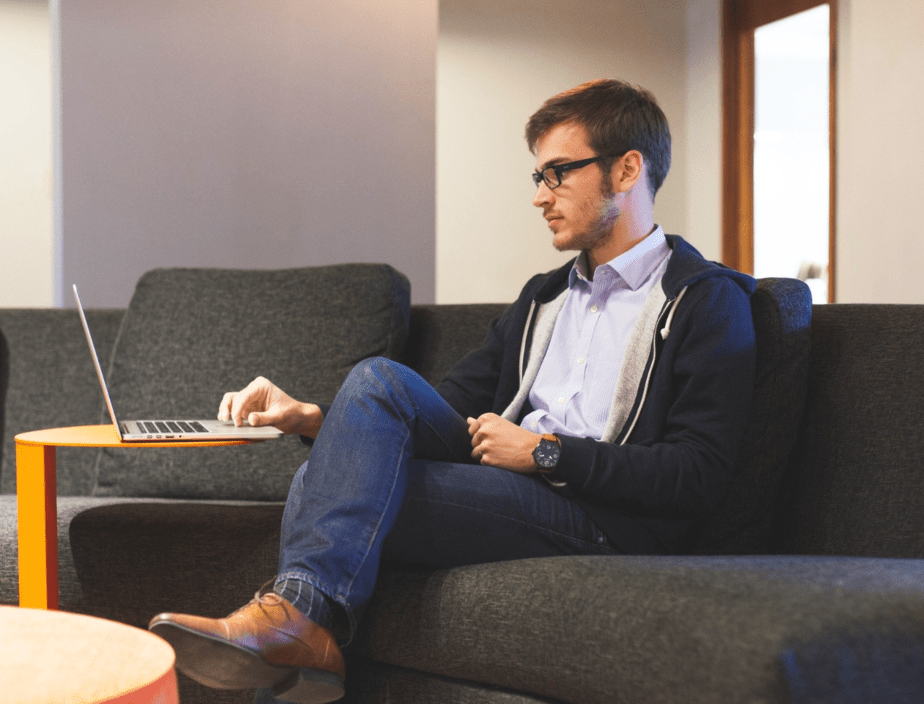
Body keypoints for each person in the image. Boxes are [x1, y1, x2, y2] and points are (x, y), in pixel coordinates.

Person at [149, 79, 757, 704]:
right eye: (537, 177)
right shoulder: (544, 297)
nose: (540, 197)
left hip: (607, 519)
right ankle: (302, 634)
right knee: (376, 386)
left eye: (557, 174)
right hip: (515, 487)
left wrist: (544, 452)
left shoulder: (705, 300)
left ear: (627, 169)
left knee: (322, 488)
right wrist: (310, 417)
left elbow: (698, 473)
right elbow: (429, 406)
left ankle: (297, 629)